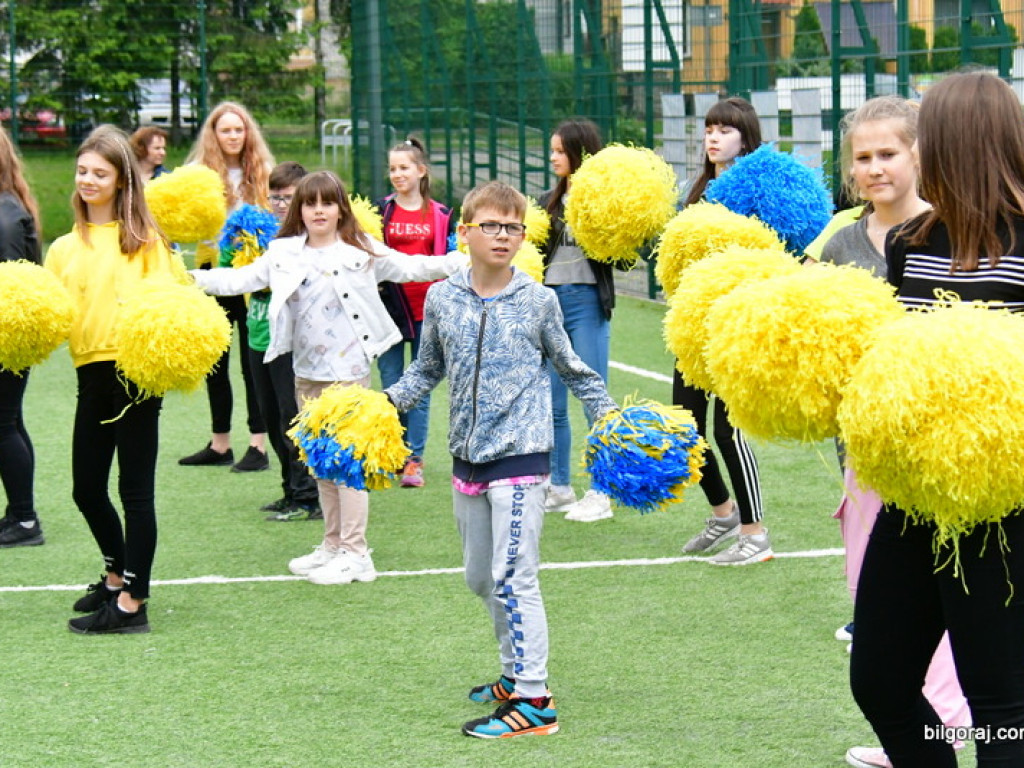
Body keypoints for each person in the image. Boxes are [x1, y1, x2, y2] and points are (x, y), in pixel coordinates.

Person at [385, 181, 618, 738]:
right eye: (490, 225)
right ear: (463, 232)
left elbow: (572, 368)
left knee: (515, 577)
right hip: (466, 458)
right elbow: (425, 369)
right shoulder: (443, 297)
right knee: (480, 579)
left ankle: (535, 701)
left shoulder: (539, 300)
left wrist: (610, 417)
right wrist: (380, 407)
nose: (502, 236)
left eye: (512, 228)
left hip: (522, 457)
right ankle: (514, 675)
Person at [850, 70, 1024, 766]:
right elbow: (897, 357)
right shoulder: (913, 241)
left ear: (956, 144)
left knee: (1000, 705)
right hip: (917, 496)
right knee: (881, 679)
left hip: (1001, 503)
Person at [190, 171, 465, 585]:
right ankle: (333, 544)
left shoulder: (360, 249)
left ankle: (357, 553)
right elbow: (242, 278)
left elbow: (413, 266)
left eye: (327, 203)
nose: (318, 211)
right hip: (307, 375)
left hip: (349, 377)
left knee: (348, 465)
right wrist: (193, 280)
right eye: (310, 203)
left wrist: (465, 258)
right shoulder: (284, 252)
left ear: (341, 209)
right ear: (300, 210)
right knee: (321, 463)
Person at [806, 95, 968, 768]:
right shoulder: (840, 241)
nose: (874, 168)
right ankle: (911, 736)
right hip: (865, 453)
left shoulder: (950, 231)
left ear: (918, 156)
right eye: (863, 158)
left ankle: (951, 732)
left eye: (888, 154)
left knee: (950, 619)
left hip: (941, 455)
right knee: (874, 604)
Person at [45, 125, 186, 634]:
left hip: (136, 375)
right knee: (86, 488)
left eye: (99, 173)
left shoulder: (148, 243)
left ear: (123, 180)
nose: (87, 180)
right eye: (82, 171)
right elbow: (50, 312)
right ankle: (114, 573)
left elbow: (177, 306)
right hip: (91, 375)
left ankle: (133, 602)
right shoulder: (63, 247)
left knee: (135, 492)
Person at [674, 97, 769, 565]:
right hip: (695, 324)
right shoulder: (697, 189)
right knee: (686, 426)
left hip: (737, 320)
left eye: (725, 130)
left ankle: (755, 535)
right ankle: (724, 512)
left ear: (746, 137)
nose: (714, 137)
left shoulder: (755, 190)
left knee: (728, 430)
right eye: (709, 129)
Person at [178, 102, 273, 473]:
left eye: (239, 129)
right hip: (211, 272)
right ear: (213, 135)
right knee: (214, 360)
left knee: (254, 362)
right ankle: (220, 444)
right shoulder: (195, 175)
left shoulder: (263, 172)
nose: (233, 136)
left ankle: (258, 444)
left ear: (248, 133)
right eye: (225, 130)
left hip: (252, 275)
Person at [539, 119, 619, 523]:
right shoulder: (546, 202)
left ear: (579, 152)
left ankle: (601, 491)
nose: (552, 157)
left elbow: (623, 258)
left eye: (558, 151)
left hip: (587, 301)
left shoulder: (604, 203)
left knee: (593, 397)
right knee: (552, 402)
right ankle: (558, 486)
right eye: (551, 150)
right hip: (548, 304)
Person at [375, 137, 455, 488]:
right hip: (388, 311)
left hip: (428, 311)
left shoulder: (441, 214)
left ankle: (414, 459)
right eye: (392, 168)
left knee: (419, 386)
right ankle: (392, 452)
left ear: (421, 171)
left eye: (404, 167)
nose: (397, 174)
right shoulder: (380, 212)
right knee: (392, 384)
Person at [249, 161, 321, 522]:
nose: (279, 204)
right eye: (273, 197)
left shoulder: (303, 242)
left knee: (293, 416)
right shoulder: (256, 232)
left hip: (290, 343)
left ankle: (308, 494)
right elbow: (237, 274)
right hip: (258, 335)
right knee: (270, 414)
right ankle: (289, 489)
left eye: (287, 197)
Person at [0, 123, 44, 549]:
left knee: (2, 424)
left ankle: (26, 519)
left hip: (8, 335)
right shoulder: (9, 204)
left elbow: (11, 287)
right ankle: (20, 511)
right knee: (9, 420)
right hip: (12, 334)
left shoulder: (5, 214)